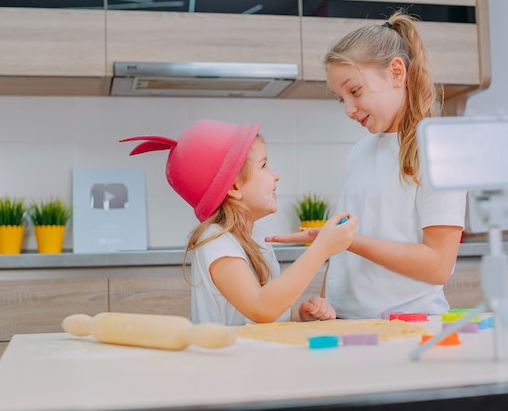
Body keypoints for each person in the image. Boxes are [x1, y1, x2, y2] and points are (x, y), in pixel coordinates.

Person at [266, 11, 467, 319]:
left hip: (409, 326)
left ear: (396, 73)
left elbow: (438, 266)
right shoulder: (360, 151)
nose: (348, 109)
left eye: (355, 91)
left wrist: (346, 241)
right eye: (341, 98)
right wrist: (324, 303)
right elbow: (344, 254)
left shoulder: (438, 151)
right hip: (346, 322)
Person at [121, 119, 357, 325]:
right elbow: (259, 308)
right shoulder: (215, 240)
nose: (275, 175)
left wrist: (297, 317)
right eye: (264, 165)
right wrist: (320, 249)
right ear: (234, 187)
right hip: (227, 370)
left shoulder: (256, 237)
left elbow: (260, 315)